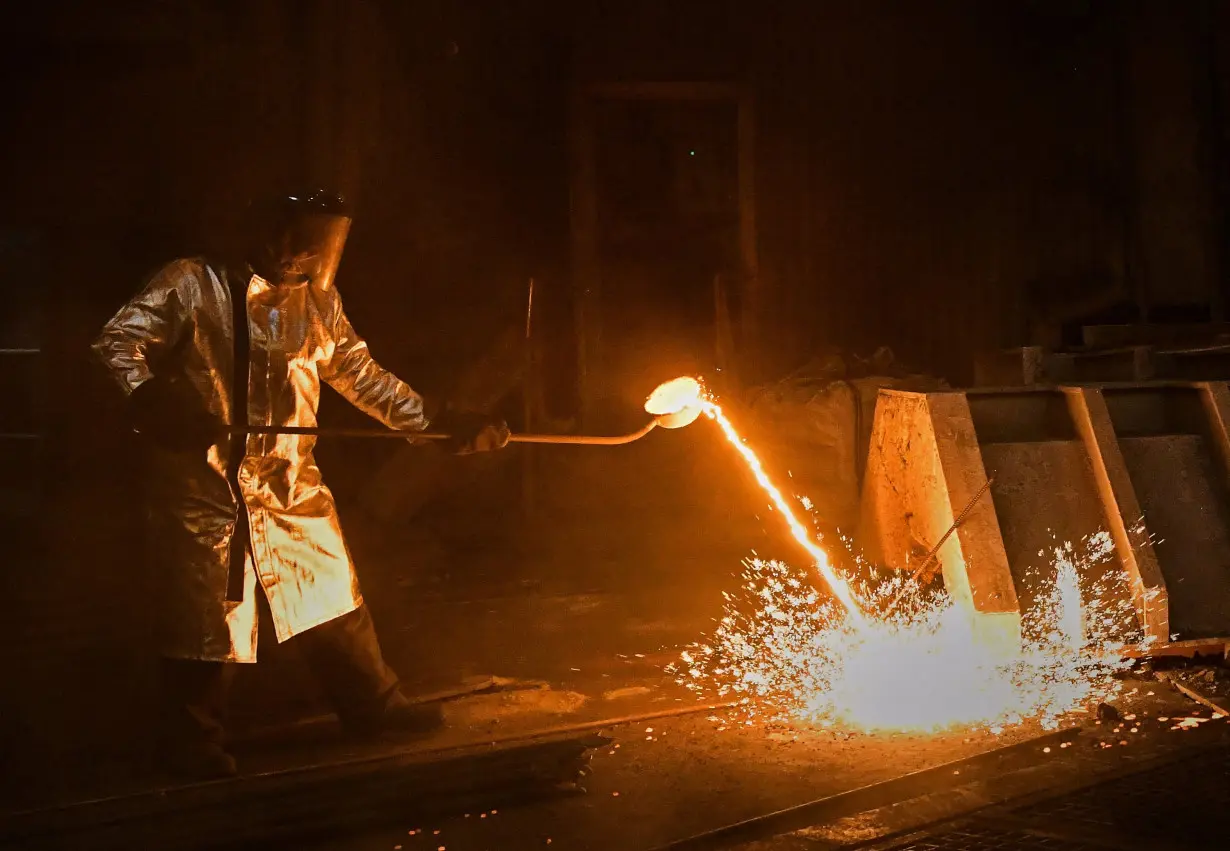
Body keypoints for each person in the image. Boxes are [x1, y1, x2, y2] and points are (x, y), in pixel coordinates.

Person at [92, 190, 509, 781]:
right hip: (205, 483)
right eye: (296, 237)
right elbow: (116, 343)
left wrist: (439, 423)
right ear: (265, 227)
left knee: (330, 590)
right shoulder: (190, 282)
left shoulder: (317, 303)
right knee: (208, 618)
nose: (304, 253)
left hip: (289, 481)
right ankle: (191, 742)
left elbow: (359, 374)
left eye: (319, 242)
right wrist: (152, 397)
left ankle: (374, 708)